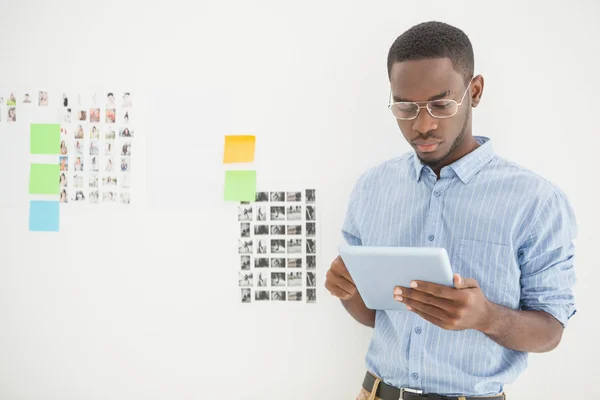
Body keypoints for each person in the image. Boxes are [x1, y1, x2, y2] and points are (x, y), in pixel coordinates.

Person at [324, 21, 578, 400]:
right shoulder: (371, 189)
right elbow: (377, 318)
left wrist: (487, 317)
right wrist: (348, 292)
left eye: (441, 104)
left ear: (474, 92)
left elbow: (551, 330)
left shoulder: (536, 201)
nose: (422, 125)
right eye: (405, 107)